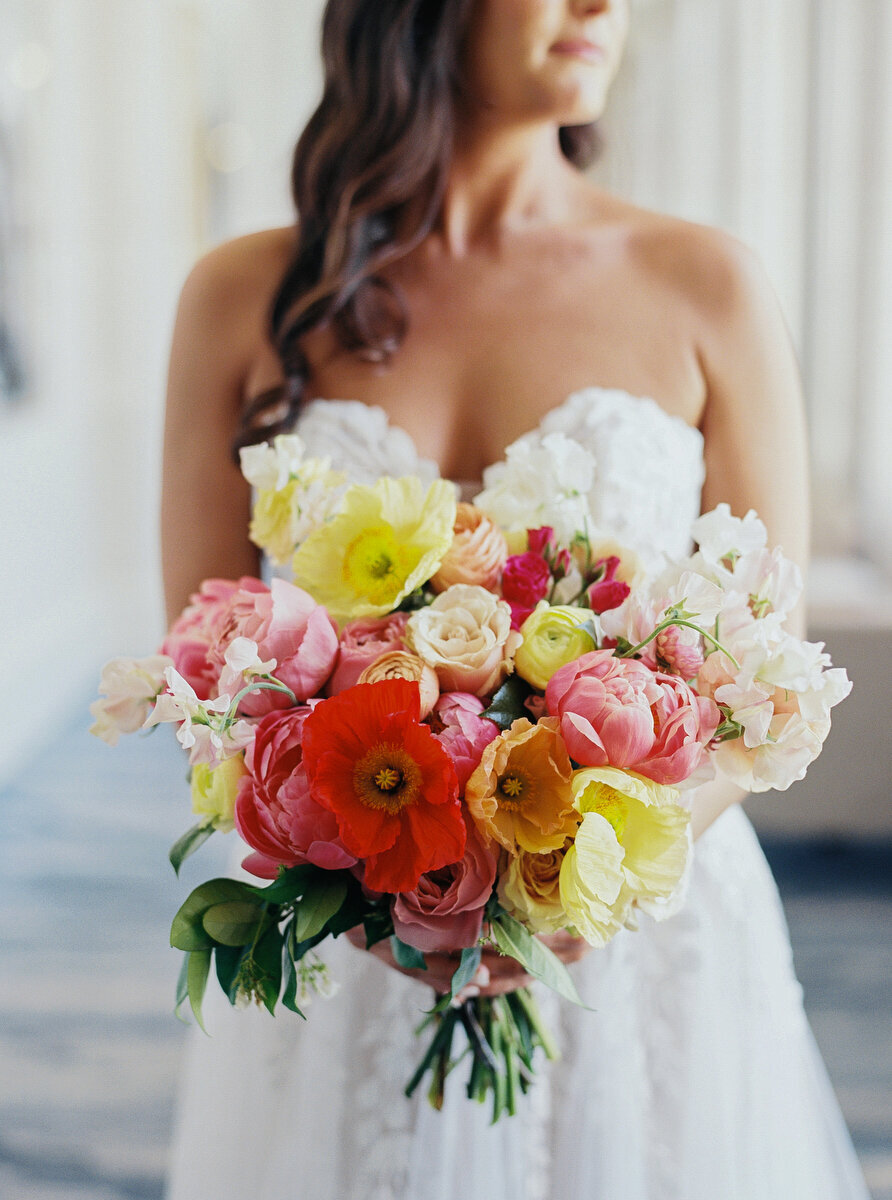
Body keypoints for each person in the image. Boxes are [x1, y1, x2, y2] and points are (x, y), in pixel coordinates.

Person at [161, 2, 870, 1197]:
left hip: (643, 930)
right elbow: (204, 671)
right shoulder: (242, 295)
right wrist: (379, 891)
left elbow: (771, 689)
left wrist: (566, 890)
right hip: (356, 938)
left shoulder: (705, 285)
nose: (604, 7)